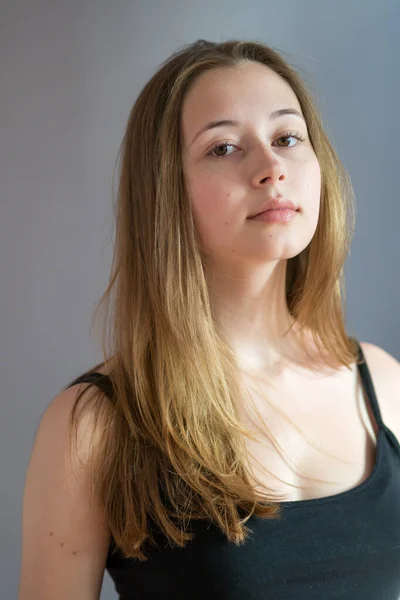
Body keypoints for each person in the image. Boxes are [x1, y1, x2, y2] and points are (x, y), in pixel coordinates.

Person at [18, 39, 400, 600]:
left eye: (287, 138)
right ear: (167, 189)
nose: (271, 168)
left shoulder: (386, 386)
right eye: (223, 148)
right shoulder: (97, 425)